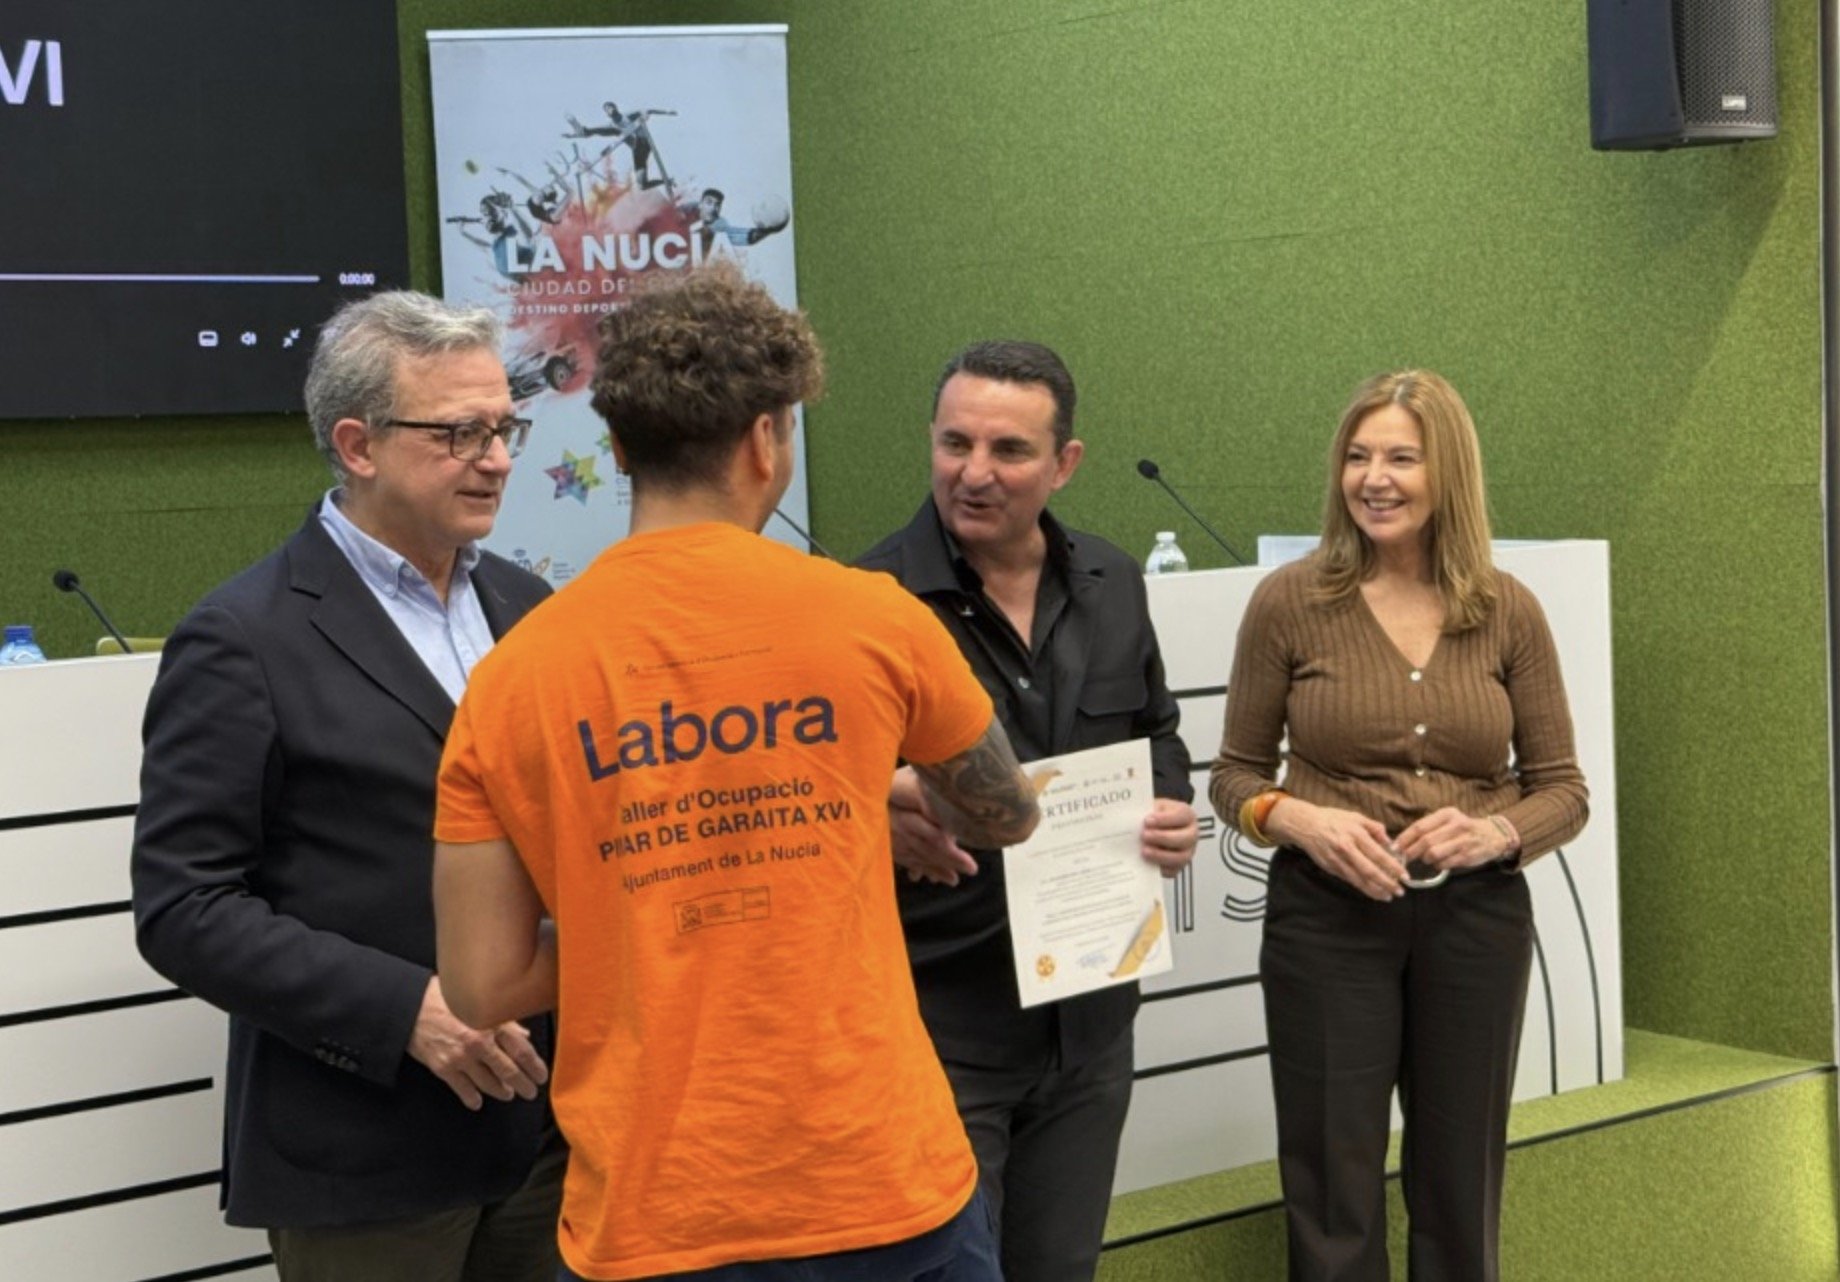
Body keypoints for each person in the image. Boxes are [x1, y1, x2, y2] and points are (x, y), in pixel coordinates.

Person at [430, 264, 1043, 1282]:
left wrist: (650, 915)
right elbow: (1005, 814)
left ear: (619, 446)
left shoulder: (511, 679)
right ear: (767, 439)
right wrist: (855, 800)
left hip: (656, 1210)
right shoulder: (876, 617)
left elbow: (481, 980)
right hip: (882, 1186)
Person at [131, 292, 562, 1282]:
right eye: (459, 433)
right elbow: (184, 906)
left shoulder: (527, 605)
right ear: (358, 445)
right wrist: (405, 1008)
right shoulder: (243, 636)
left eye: (505, 428)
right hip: (367, 1154)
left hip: (547, 1139)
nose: (497, 459)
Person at [1209, 369, 1589, 1282]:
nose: (1373, 478)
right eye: (1358, 456)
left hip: (1477, 922)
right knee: (1332, 1178)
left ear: (1448, 472)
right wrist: (1300, 819)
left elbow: (1563, 791)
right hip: (1327, 922)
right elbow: (1234, 778)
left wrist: (1496, 835)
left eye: (1401, 459)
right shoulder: (1289, 602)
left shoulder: (1507, 609)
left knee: (1461, 1176)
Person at [858, 340, 1199, 1282]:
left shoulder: (1114, 581)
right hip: (943, 1024)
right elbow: (816, 785)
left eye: (1008, 450)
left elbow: (1157, 731)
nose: (974, 473)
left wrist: (1171, 804)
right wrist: (884, 799)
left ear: (1064, 463)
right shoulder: (870, 601)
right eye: (954, 443)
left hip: (1092, 1016)